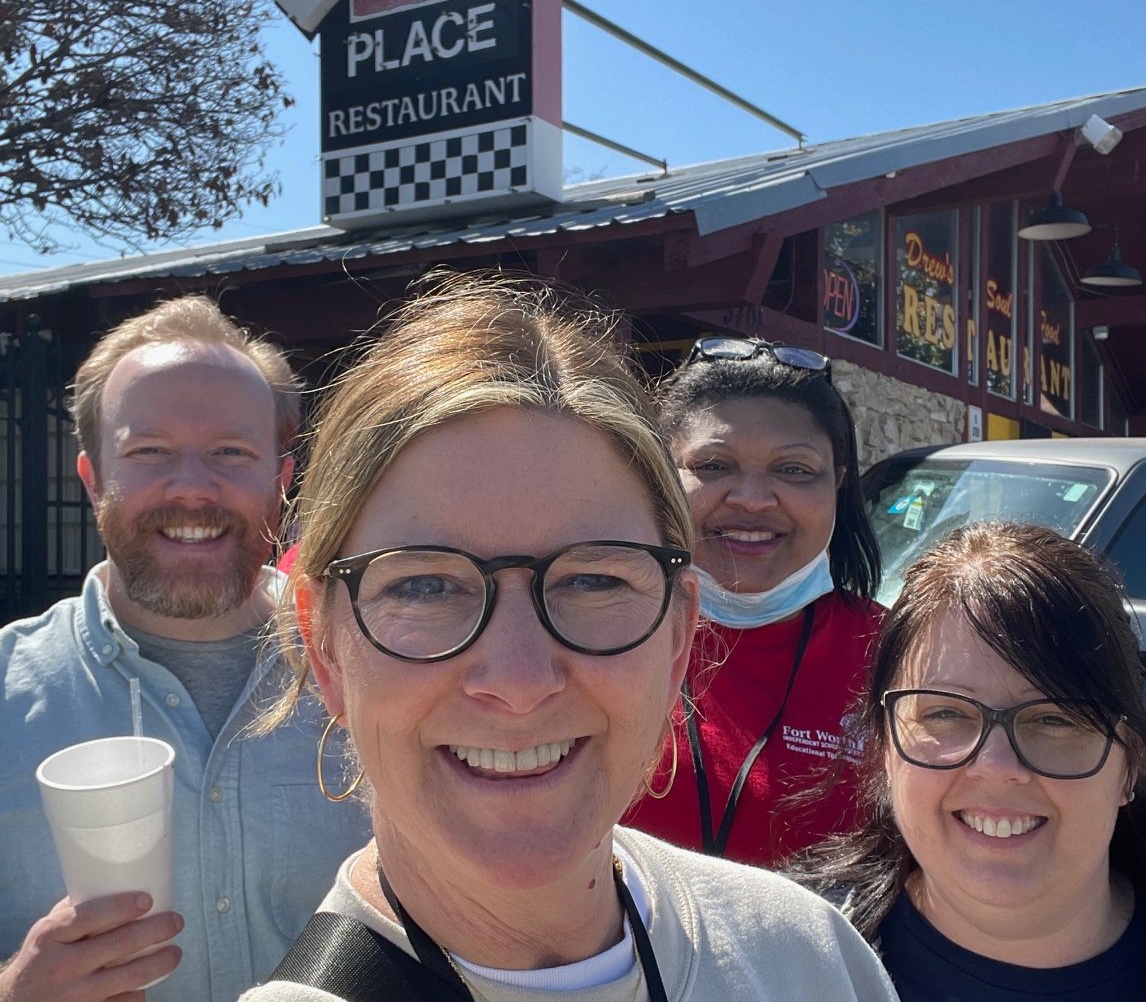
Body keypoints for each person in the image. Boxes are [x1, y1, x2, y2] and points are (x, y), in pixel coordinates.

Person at [240, 273, 898, 1002]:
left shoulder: (806, 957)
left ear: (680, 631)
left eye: (592, 581)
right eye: (425, 584)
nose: (520, 681)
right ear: (324, 643)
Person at [0, 296, 370, 1002]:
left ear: (280, 480)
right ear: (94, 481)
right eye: (150, 452)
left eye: (231, 452)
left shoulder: (374, 671)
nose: (194, 488)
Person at [797, 520, 1146, 1001]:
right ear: (883, 745)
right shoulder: (780, 960)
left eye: (1055, 719)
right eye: (945, 712)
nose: (994, 763)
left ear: (1129, 763)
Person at [625, 336, 884, 865]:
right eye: (714, 466)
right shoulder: (595, 632)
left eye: (793, 470)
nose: (751, 499)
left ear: (837, 483)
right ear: (662, 476)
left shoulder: (901, 656)